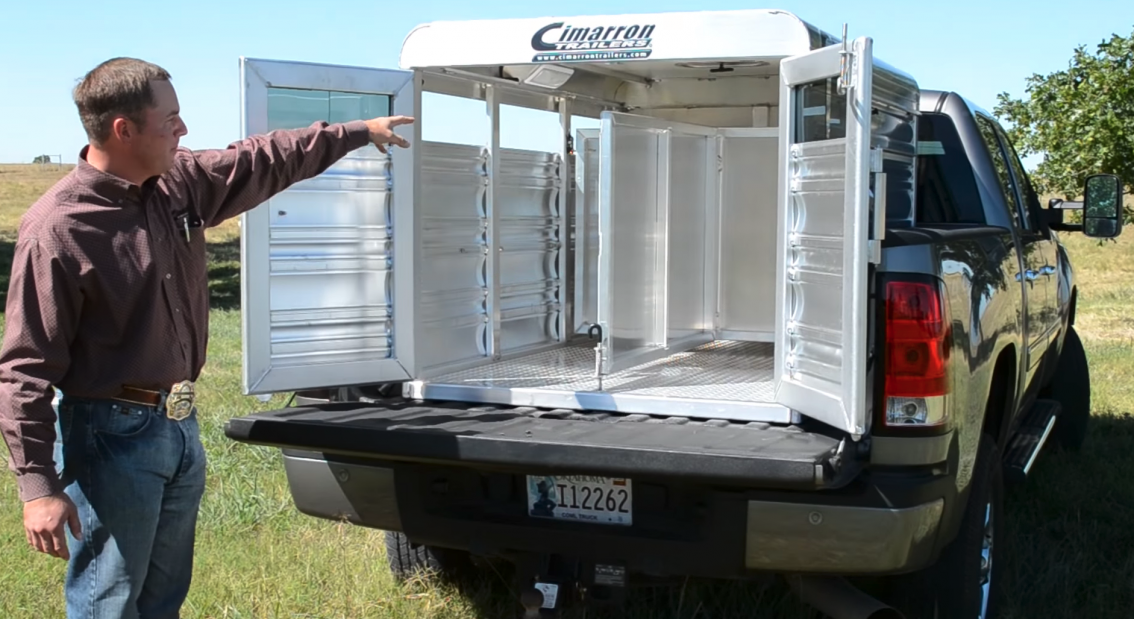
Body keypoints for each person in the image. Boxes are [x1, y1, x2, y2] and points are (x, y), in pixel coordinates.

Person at [0, 57, 414, 619]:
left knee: (163, 596)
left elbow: (263, 158)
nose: (183, 129)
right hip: (109, 437)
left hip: (178, 427)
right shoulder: (58, 228)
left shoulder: (179, 184)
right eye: (170, 118)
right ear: (124, 129)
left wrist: (359, 132)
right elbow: (25, 368)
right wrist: (37, 486)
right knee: (110, 600)